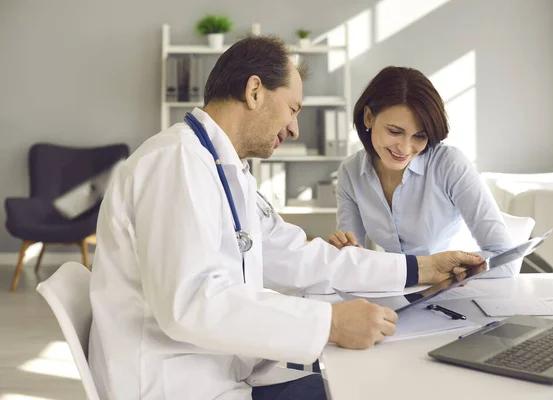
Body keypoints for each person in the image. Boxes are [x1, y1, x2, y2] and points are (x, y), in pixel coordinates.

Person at [88, 36, 484, 400]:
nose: (294, 128)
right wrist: (329, 323)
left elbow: (300, 256)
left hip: (222, 373)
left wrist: (421, 268)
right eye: (293, 108)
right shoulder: (175, 163)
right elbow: (192, 304)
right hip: (179, 387)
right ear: (255, 91)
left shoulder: (225, 170)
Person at [328, 66, 517, 278]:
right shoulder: (351, 172)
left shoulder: (449, 165)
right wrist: (344, 254)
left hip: (452, 289)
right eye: (395, 131)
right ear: (369, 118)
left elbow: (506, 259)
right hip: (393, 287)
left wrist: (448, 271)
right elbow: (351, 258)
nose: (405, 148)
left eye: (419, 136)